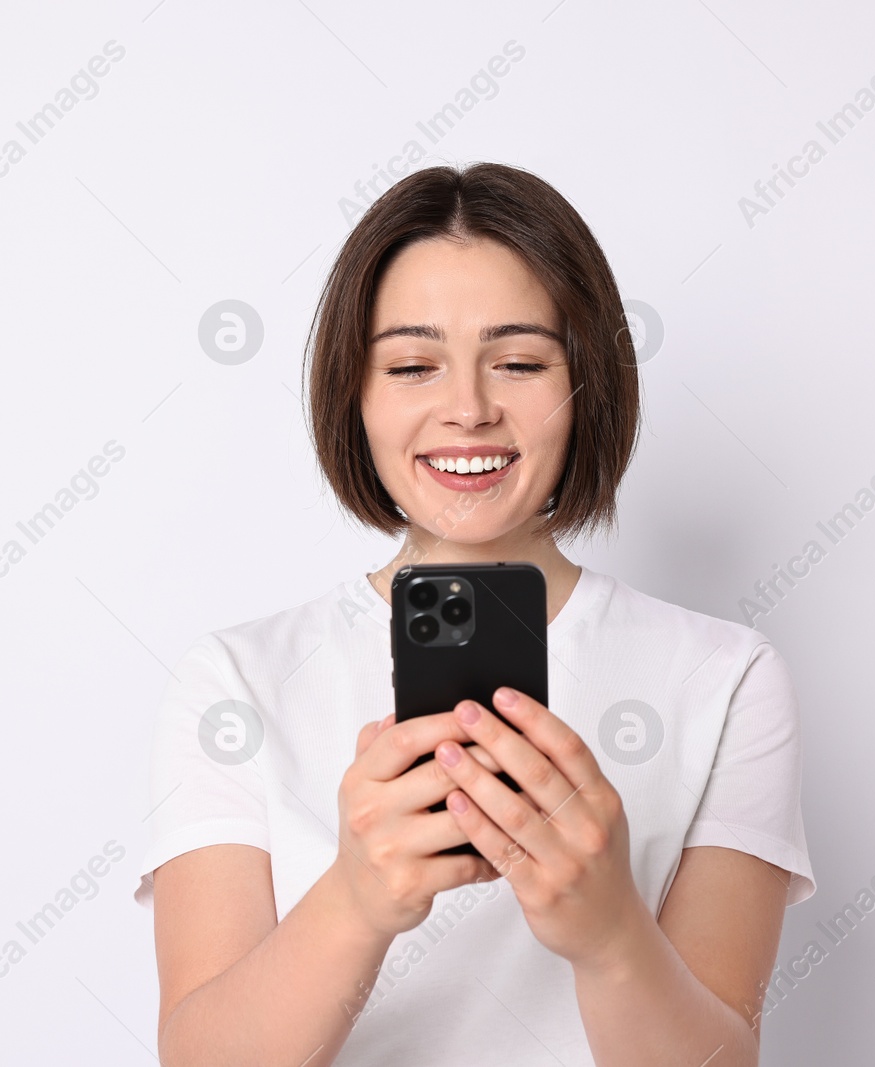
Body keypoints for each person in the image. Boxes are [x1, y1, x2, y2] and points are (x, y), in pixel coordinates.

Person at [135, 162, 815, 1066]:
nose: (468, 409)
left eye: (522, 362)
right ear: (356, 395)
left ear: (587, 388)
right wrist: (356, 899)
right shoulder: (234, 679)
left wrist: (612, 933)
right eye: (413, 365)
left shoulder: (725, 677)